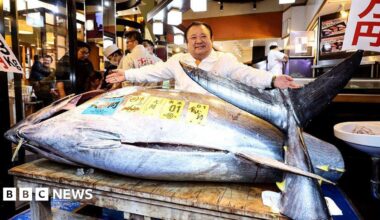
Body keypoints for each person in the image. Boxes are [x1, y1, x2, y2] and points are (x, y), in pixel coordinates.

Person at [106, 21, 299, 94]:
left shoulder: (225, 59)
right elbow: (152, 72)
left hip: (217, 117)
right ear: (187, 42)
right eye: (193, 37)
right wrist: (127, 74)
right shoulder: (178, 60)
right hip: (184, 116)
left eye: (203, 36)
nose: (198, 41)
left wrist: (273, 80)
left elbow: (247, 74)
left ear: (211, 39)